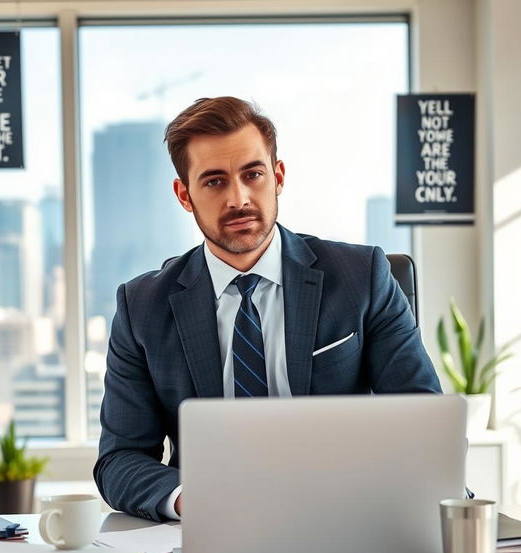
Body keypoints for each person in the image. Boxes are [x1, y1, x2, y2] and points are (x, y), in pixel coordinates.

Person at [94, 96, 441, 521]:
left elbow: (424, 422)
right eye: (214, 182)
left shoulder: (361, 277)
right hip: (213, 528)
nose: (238, 199)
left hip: (347, 516)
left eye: (252, 174)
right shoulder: (141, 307)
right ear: (184, 195)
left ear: (277, 176)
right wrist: (192, 500)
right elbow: (120, 459)